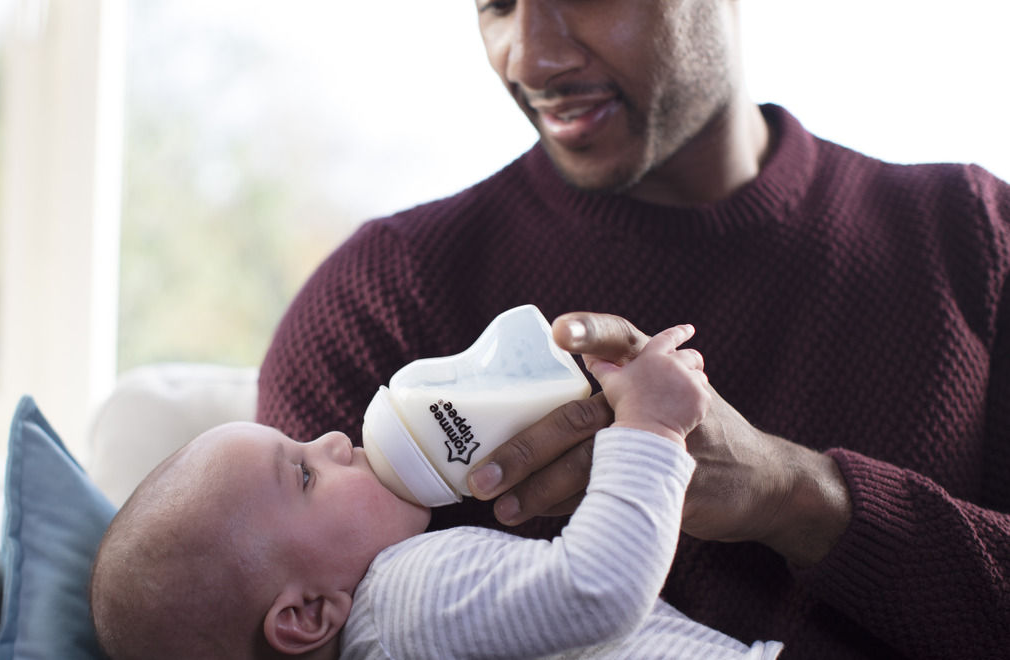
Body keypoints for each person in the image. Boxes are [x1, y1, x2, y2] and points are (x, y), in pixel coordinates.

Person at [256, 1, 1010, 658]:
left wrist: (796, 496)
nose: (531, 56)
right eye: (496, 2)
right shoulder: (380, 299)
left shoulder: (972, 236)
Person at [91, 326, 784, 659]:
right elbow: (598, 587)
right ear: (305, 615)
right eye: (303, 473)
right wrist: (652, 427)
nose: (333, 440)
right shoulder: (406, 598)